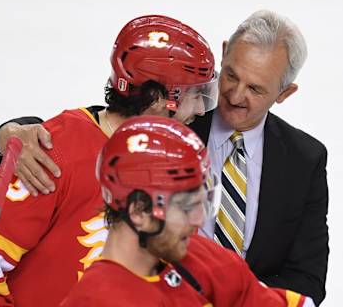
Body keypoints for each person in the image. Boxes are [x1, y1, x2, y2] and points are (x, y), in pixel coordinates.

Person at [0, 10, 329, 305]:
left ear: (284, 92)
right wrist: (9, 135)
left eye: (255, 88)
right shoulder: (150, 132)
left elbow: (304, 279)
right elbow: (108, 120)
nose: (232, 96)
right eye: (232, 76)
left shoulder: (304, 160)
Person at [0, 15, 219, 306]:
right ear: (159, 97)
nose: (201, 108)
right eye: (195, 94)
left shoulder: (176, 163)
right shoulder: (52, 154)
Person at [60, 114, 314, 307]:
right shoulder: (95, 300)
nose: (199, 220)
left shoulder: (202, 256)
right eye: (185, 206)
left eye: (202, 202)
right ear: (139, 211)